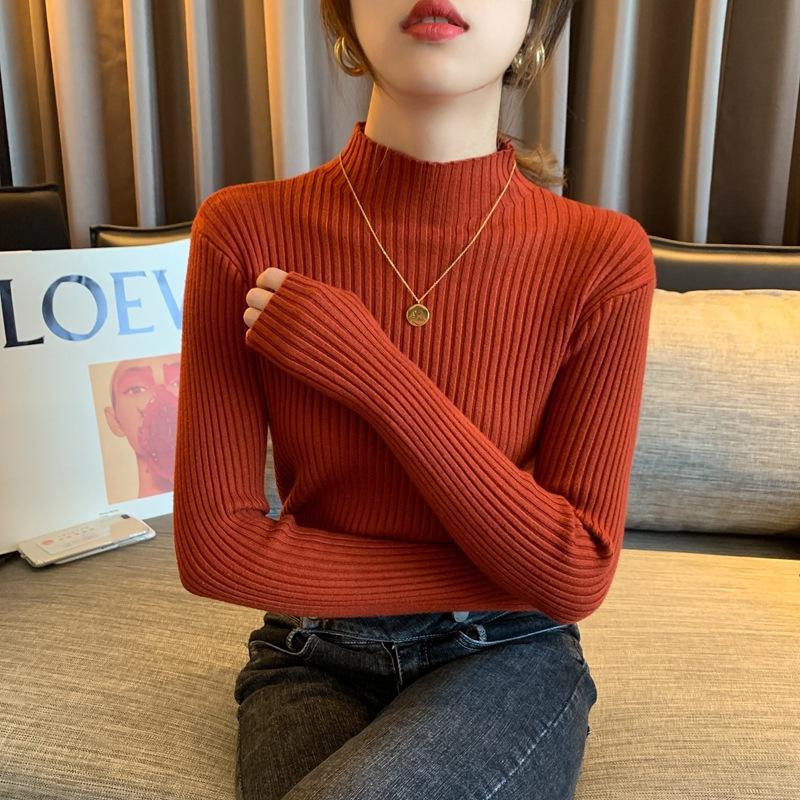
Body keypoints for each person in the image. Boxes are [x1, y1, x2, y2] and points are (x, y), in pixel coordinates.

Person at [173, 1, 657, 798]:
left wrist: (372, 371)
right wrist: (519, 573)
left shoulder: (601, 257)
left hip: (508, 653)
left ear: (535, 19)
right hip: (309, 656)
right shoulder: (243, 229)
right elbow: (216, 550)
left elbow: (575, 574)